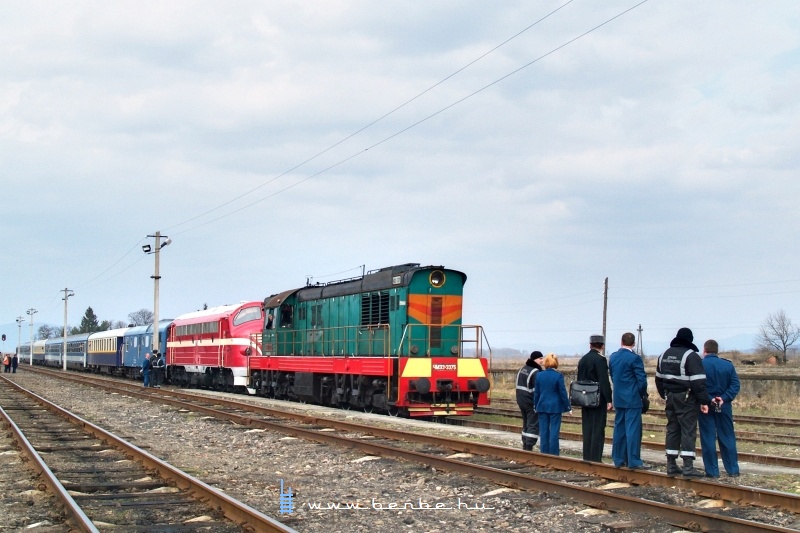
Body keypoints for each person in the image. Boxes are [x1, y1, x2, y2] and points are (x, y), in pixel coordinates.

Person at [656, 327, 712, 477]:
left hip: (670, 397)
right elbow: (698, 383)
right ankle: (688, 467)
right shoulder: (691, 356)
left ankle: (671, 465)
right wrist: (704, 401)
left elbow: (658, 379)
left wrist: (665, 395)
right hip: (686, 398)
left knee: (673, 429)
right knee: (688, 430)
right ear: (690, 341)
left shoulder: (663, 355)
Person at [698, 339, 740, 478]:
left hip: (706, 406)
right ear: (717, 350)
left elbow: (697, 386)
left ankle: (712, 471)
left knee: (708, 438)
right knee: (727, 436)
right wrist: (724, 398)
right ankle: (733, 469)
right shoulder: (728, 365)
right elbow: (735, 385)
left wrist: (708, 398)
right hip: (724, 406)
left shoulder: (699, 365)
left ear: (704, 351)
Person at [609, 332, 649, 469]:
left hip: (619, 398)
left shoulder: (613, 357)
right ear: (633, 343)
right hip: (632, 399)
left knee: (619, 429)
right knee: (633, 430)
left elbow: (613, 376)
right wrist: (640, 393)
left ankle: (618, 458)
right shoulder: (635, 359)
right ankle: (633, 460)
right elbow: (642, 380)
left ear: (621, 341)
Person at [576, 334, 613, 462]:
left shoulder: (583, 359)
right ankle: (595, 458)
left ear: (590, 345)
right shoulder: (600, 360)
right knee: (597, 428)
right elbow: (604, 381)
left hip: (584, 397)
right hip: (598, 399)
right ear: (602, 346)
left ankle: (586, 456)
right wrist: (609, 399)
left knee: (587, 428)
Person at [533, 353, 571, 455]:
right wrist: (568, 407)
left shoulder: (539, 375)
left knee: (544, 431)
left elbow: (537, 392)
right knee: (554, 431)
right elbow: (563, 393)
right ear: (556, 363)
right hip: (555, 407)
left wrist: (535, 405)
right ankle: (554, 454)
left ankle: (544, 453)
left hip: (542, 406)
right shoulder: (558, 376)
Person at [516, 351, 544, 451]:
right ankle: (529, 446)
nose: (542, 360)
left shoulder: (522, 369)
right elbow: (537, 391)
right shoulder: (535, 372)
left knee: (526, 423)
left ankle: (525, 444)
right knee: (533, 424)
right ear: (534, 359)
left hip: (521, 401)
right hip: (530, 402)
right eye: (540, 358)